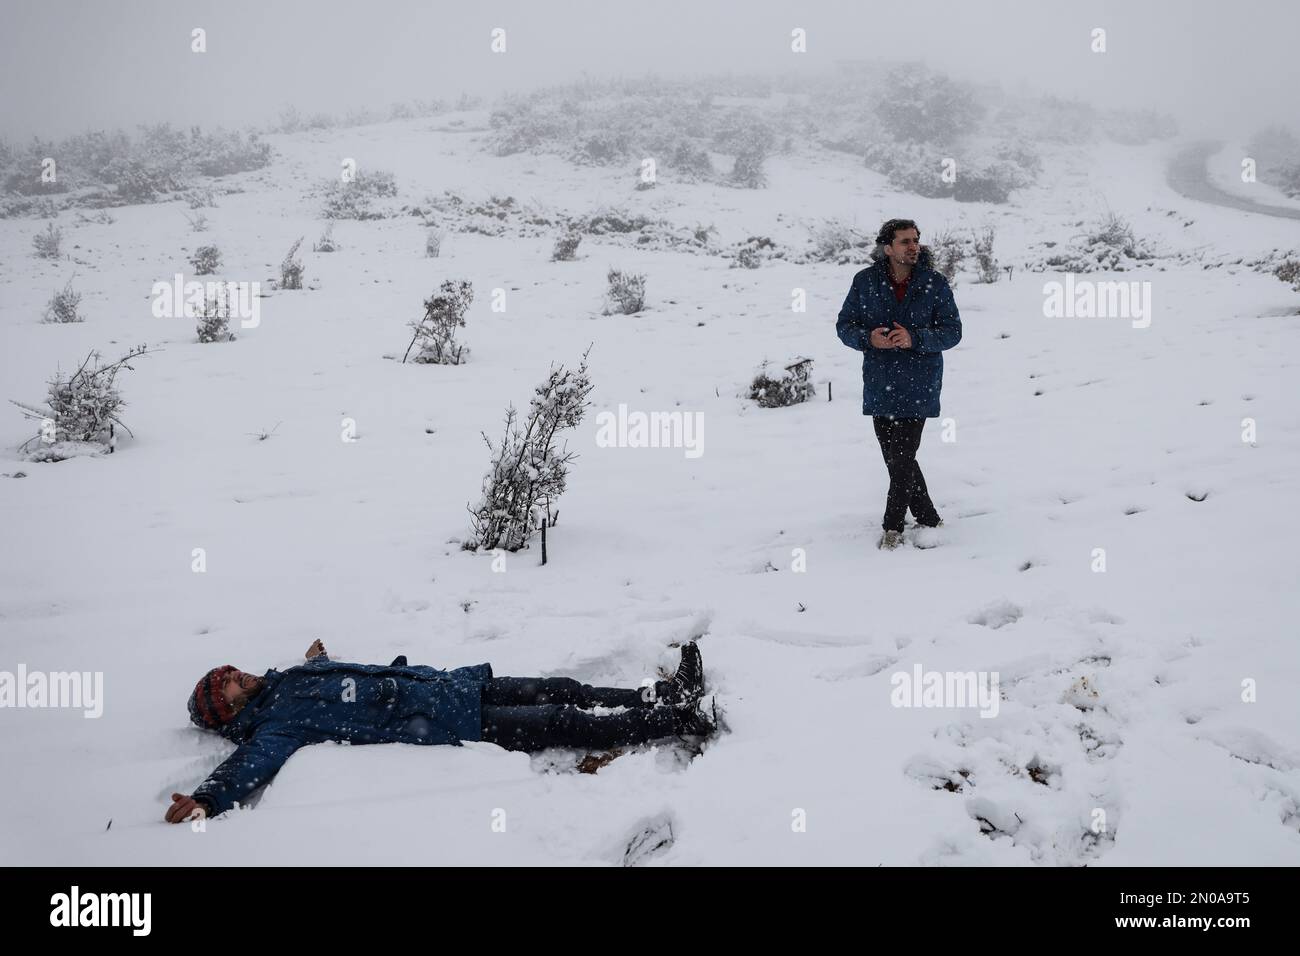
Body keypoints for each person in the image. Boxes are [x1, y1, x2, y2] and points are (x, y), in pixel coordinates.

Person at [166, 639, 713, 823]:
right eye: (226, 688)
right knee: (561, 722)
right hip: (452, 720)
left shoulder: (288, 680)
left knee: (563, 687)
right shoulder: (274, 727)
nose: (235, 676)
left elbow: (341, 682)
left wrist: (322, 658)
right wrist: (209, 799)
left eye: (227, 672)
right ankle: (679, 719)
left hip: (448, 687)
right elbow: (248, 767)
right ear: (231, 715)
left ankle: (664, 694)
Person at [835, 218, 963, 550]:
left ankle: (892, 528)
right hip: (880, 382)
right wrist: (868, 338)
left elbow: (952, 332)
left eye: (916, 240)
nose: (913, 246)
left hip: (919, 382)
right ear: (887, 248)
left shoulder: (934, 283)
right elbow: (844, 326)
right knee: (895, 457)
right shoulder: (864, 282)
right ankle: (928, 516)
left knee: (903, 455)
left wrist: (914, 337)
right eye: (905, 241)